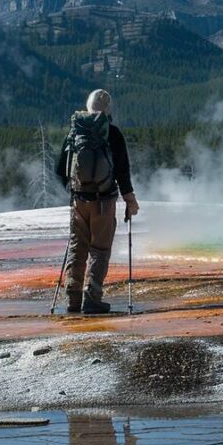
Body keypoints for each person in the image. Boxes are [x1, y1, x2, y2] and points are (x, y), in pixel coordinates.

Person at [54, 89, 140, 314]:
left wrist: (73, 190)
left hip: (78, 201)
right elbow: (122, 171)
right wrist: (130, 200)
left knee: (77, 247)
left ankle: (72, 299)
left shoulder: (75, 132)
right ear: (108, 109)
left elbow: (59, 169)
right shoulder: (112, 133)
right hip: (103, 201)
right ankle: (92, 298)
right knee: (99, 250)